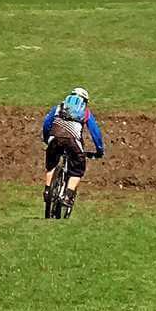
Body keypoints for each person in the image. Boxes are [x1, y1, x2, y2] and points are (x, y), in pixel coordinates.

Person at [42, 86, 104, 218]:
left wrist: (47, 138)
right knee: (77, 169)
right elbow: (95, 133)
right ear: (85, 101)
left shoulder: (59, 107)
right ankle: (68, 196)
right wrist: (99, 150)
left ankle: (48, 190)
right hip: (72, 141)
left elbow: (47, 123)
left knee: (51, 163)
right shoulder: (85, 112)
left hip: (55, 138)